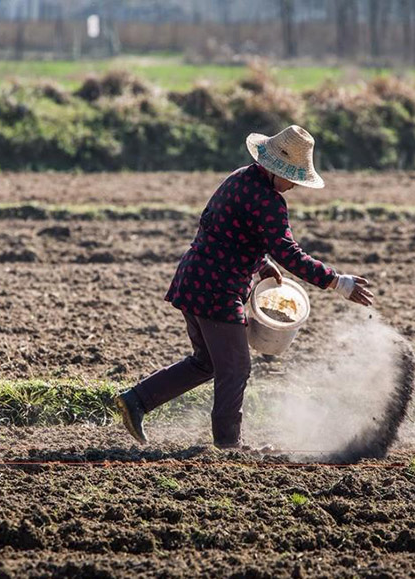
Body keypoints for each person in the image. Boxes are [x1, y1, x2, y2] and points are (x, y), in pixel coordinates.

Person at [115, 125, 373, 449]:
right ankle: (228, 445)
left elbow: (220, 225)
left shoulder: (240, 178)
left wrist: (259, 262)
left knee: (207, 362)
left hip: (194, 279)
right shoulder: (268, 201)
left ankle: (136, 400)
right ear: (278, 170)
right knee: (236, 367)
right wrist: (337, 282)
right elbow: (289, 252)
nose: (293, 185)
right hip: (217, 290)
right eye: (293, 177)